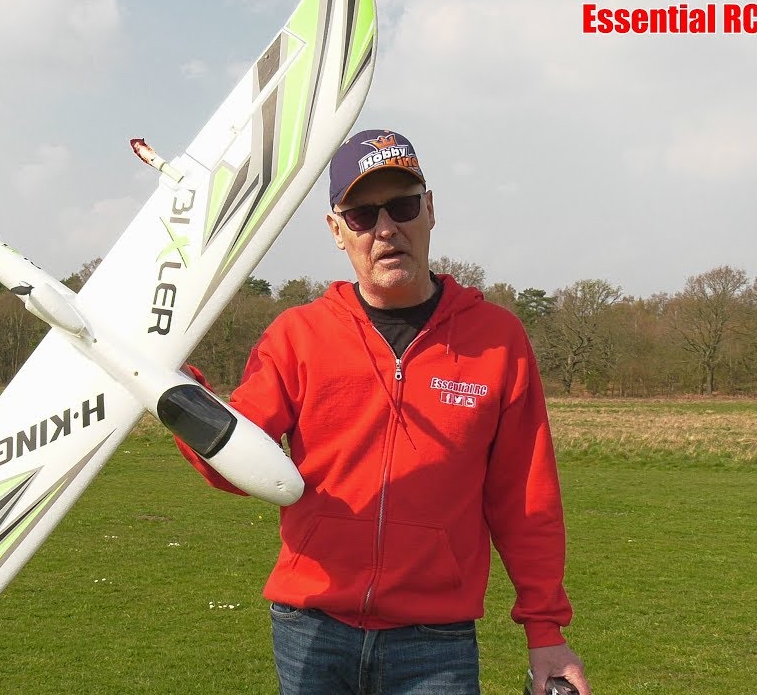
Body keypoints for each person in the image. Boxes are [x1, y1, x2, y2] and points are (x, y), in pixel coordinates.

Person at [175, 129, 590, 695]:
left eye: (402, 206)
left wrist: (545, 631)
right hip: (311, 627)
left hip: (435, 642)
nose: (387, 228)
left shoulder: (498, 340)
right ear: (337, 230)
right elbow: (232, 461)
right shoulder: (298, 335)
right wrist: (173, 388)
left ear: (430, 210)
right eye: (363, 215)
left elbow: (525, 498)